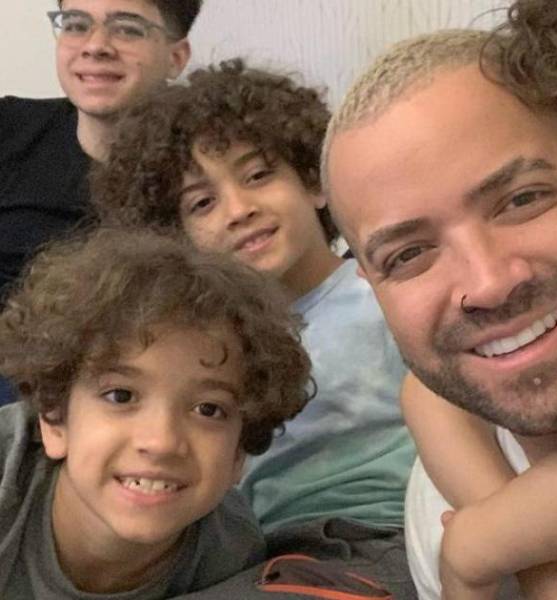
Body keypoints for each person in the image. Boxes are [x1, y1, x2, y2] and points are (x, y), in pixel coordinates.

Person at [90, 59, 418, 598]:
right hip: (250, 555)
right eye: (202, 203)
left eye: (258, 175)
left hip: (377, 539)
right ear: (176, 239)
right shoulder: (201, 352)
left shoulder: (382, 296)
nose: (239, 210)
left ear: (314, 182)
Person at [323, 22, 557, 600]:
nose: (488, 284)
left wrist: (491, 538)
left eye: (523, 199)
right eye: (408, 254)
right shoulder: (438, 517)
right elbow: (425, 396)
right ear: (368, 282)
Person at [0, 226, 313, 598]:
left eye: (208, 409)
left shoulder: (229, 553)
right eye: (121, 396)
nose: (162, 442)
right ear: (54, 419)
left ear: (238, 454)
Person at [0, 0, 199, 303]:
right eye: (76, 25)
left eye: (127, 29)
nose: (95, 46)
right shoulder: (10, 128)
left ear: (176, 58)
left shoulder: (208, 165)